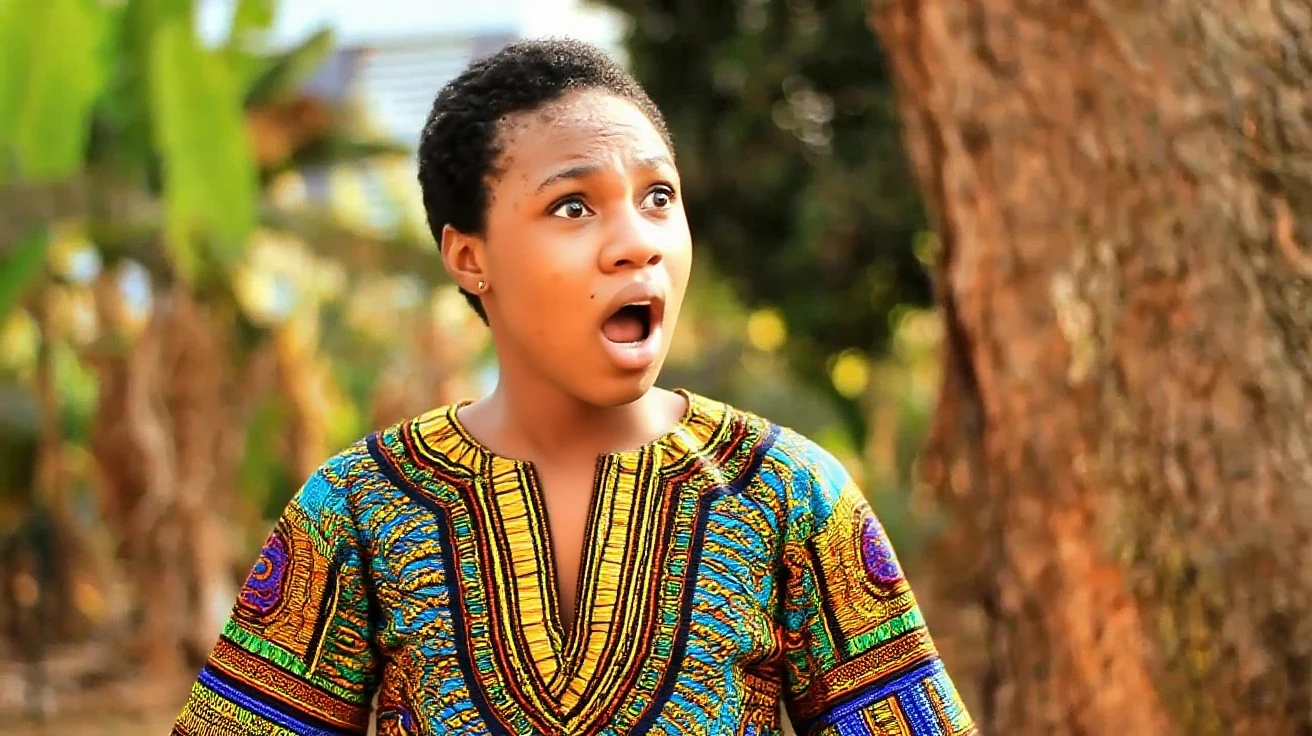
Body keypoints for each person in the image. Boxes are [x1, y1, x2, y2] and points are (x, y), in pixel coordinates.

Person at [171, 38, 974, 736]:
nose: (636, 242)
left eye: (659, 197)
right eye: (573, 205)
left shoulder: (788, 494)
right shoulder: (358, 506)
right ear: (468, 256)